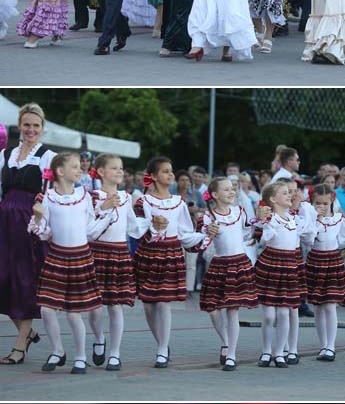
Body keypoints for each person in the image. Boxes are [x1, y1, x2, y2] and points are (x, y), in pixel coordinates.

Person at [27, 151, 112, 374]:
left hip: (80, 257)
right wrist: (37, 217)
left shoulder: (85, 196)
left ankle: (81, 356)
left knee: (75, 312)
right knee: (47, 309)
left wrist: (107, 215)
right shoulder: (47, 197)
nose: (79, 170)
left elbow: (90, 230)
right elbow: (42, 232)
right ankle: (57, 350)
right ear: (60, 171)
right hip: (56, 257)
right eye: (75, 167)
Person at [133, 155, 209, 367]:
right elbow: (136, 229)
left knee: (164, 303)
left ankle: (162, 349)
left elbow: (185, 232)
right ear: (155, 176)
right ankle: (162, 344)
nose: (170, 174)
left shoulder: (178, 202)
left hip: (170, 254)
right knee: (148, 304)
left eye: (171, 170)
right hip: (149, 254)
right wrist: (152, 224)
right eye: (165, 171)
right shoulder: (144, 202)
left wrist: (204, 236)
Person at [0, 102, 55, 366]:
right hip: (4, 220)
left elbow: (53, 193)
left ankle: (20, 346)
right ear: (19, 127)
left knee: (24, 280)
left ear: (42, 128)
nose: (31, 129)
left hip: (28, 221)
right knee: (3, 279)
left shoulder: (48, 156)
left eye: (35, 125)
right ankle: (28, 332)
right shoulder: (5, 154)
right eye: (27, 125)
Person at [87, 153, 151, 371]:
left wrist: (153, 223)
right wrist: (104, 207)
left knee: (116, 306)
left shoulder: (125, 197)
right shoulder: (92, 196)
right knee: (94, 307)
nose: (119, 171)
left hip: (119, 253)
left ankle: (115, 353)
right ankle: (98, 338)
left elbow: (133, 228)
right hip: (96, 253)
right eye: (114, 167)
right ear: (101, 172)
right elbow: (88, 229)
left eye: (121, 168)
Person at [199, 175, 258, 370]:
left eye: (232, 188)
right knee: (213, 309)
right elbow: (202, 241)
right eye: (226, 189)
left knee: (233, 310)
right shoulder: (208, 217)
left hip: (238, 263)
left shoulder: (239, 212)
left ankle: (231, 354)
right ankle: (225, 341)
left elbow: (248, 233)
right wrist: (208, 231)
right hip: (219, 264)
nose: (232, 191)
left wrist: (257, 228)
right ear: (214, 194)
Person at [255, 178, 315, 366]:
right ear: (273, 199)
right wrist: (265, 222)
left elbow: (311, 233)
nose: (290, 195)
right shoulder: (270, 219)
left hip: (289, 265)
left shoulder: (295, 220)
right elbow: (264, 238)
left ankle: (280, 352)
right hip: (272, 263)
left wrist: (310, 210)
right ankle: (266, 351)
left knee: (284, 313)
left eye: (290, 193)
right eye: (285, 193)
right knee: (269, 315)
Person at [305, 182, 345, 361]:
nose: (322, 206)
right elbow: (308, 240)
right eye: (318, 203)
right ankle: (323, 345)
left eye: (325, 203)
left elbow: (343, 240)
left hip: (332, 261)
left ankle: (331, 346)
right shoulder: (310, 219)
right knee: (318, 306)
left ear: (332, 201)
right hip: (315, 261)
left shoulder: (339, 219)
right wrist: (315, 220)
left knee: (331, 305)